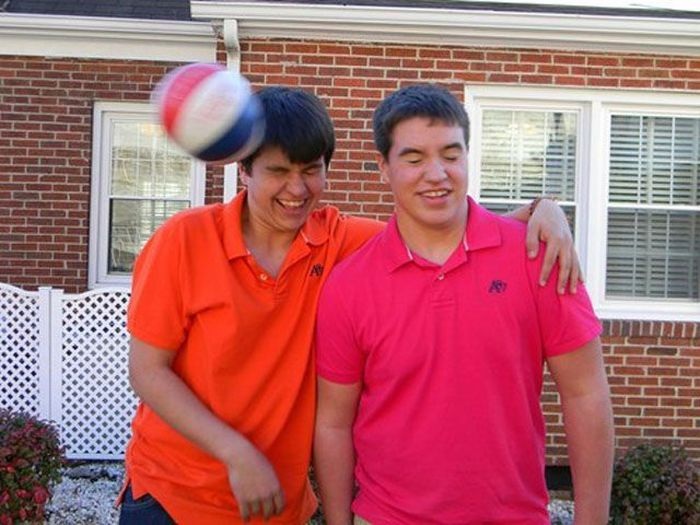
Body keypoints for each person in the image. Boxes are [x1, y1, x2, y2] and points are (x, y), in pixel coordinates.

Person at [119, 85, 581, 525]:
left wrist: (543, 210)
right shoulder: (184, 240)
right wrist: (235, 452)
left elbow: (439, 230)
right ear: (245, 170)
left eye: (310, 170)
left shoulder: (340, 241)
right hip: (172, 496)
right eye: (278, 171)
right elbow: (147, 371)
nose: (297, 189)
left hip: (275, 505)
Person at [314, 84, 614, 525]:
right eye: (414, 158)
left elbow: (586, 394)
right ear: (383, 167)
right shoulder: (349, 285)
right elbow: (333, 424)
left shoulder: (538, 255)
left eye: (451, 155)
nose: (436, 173)